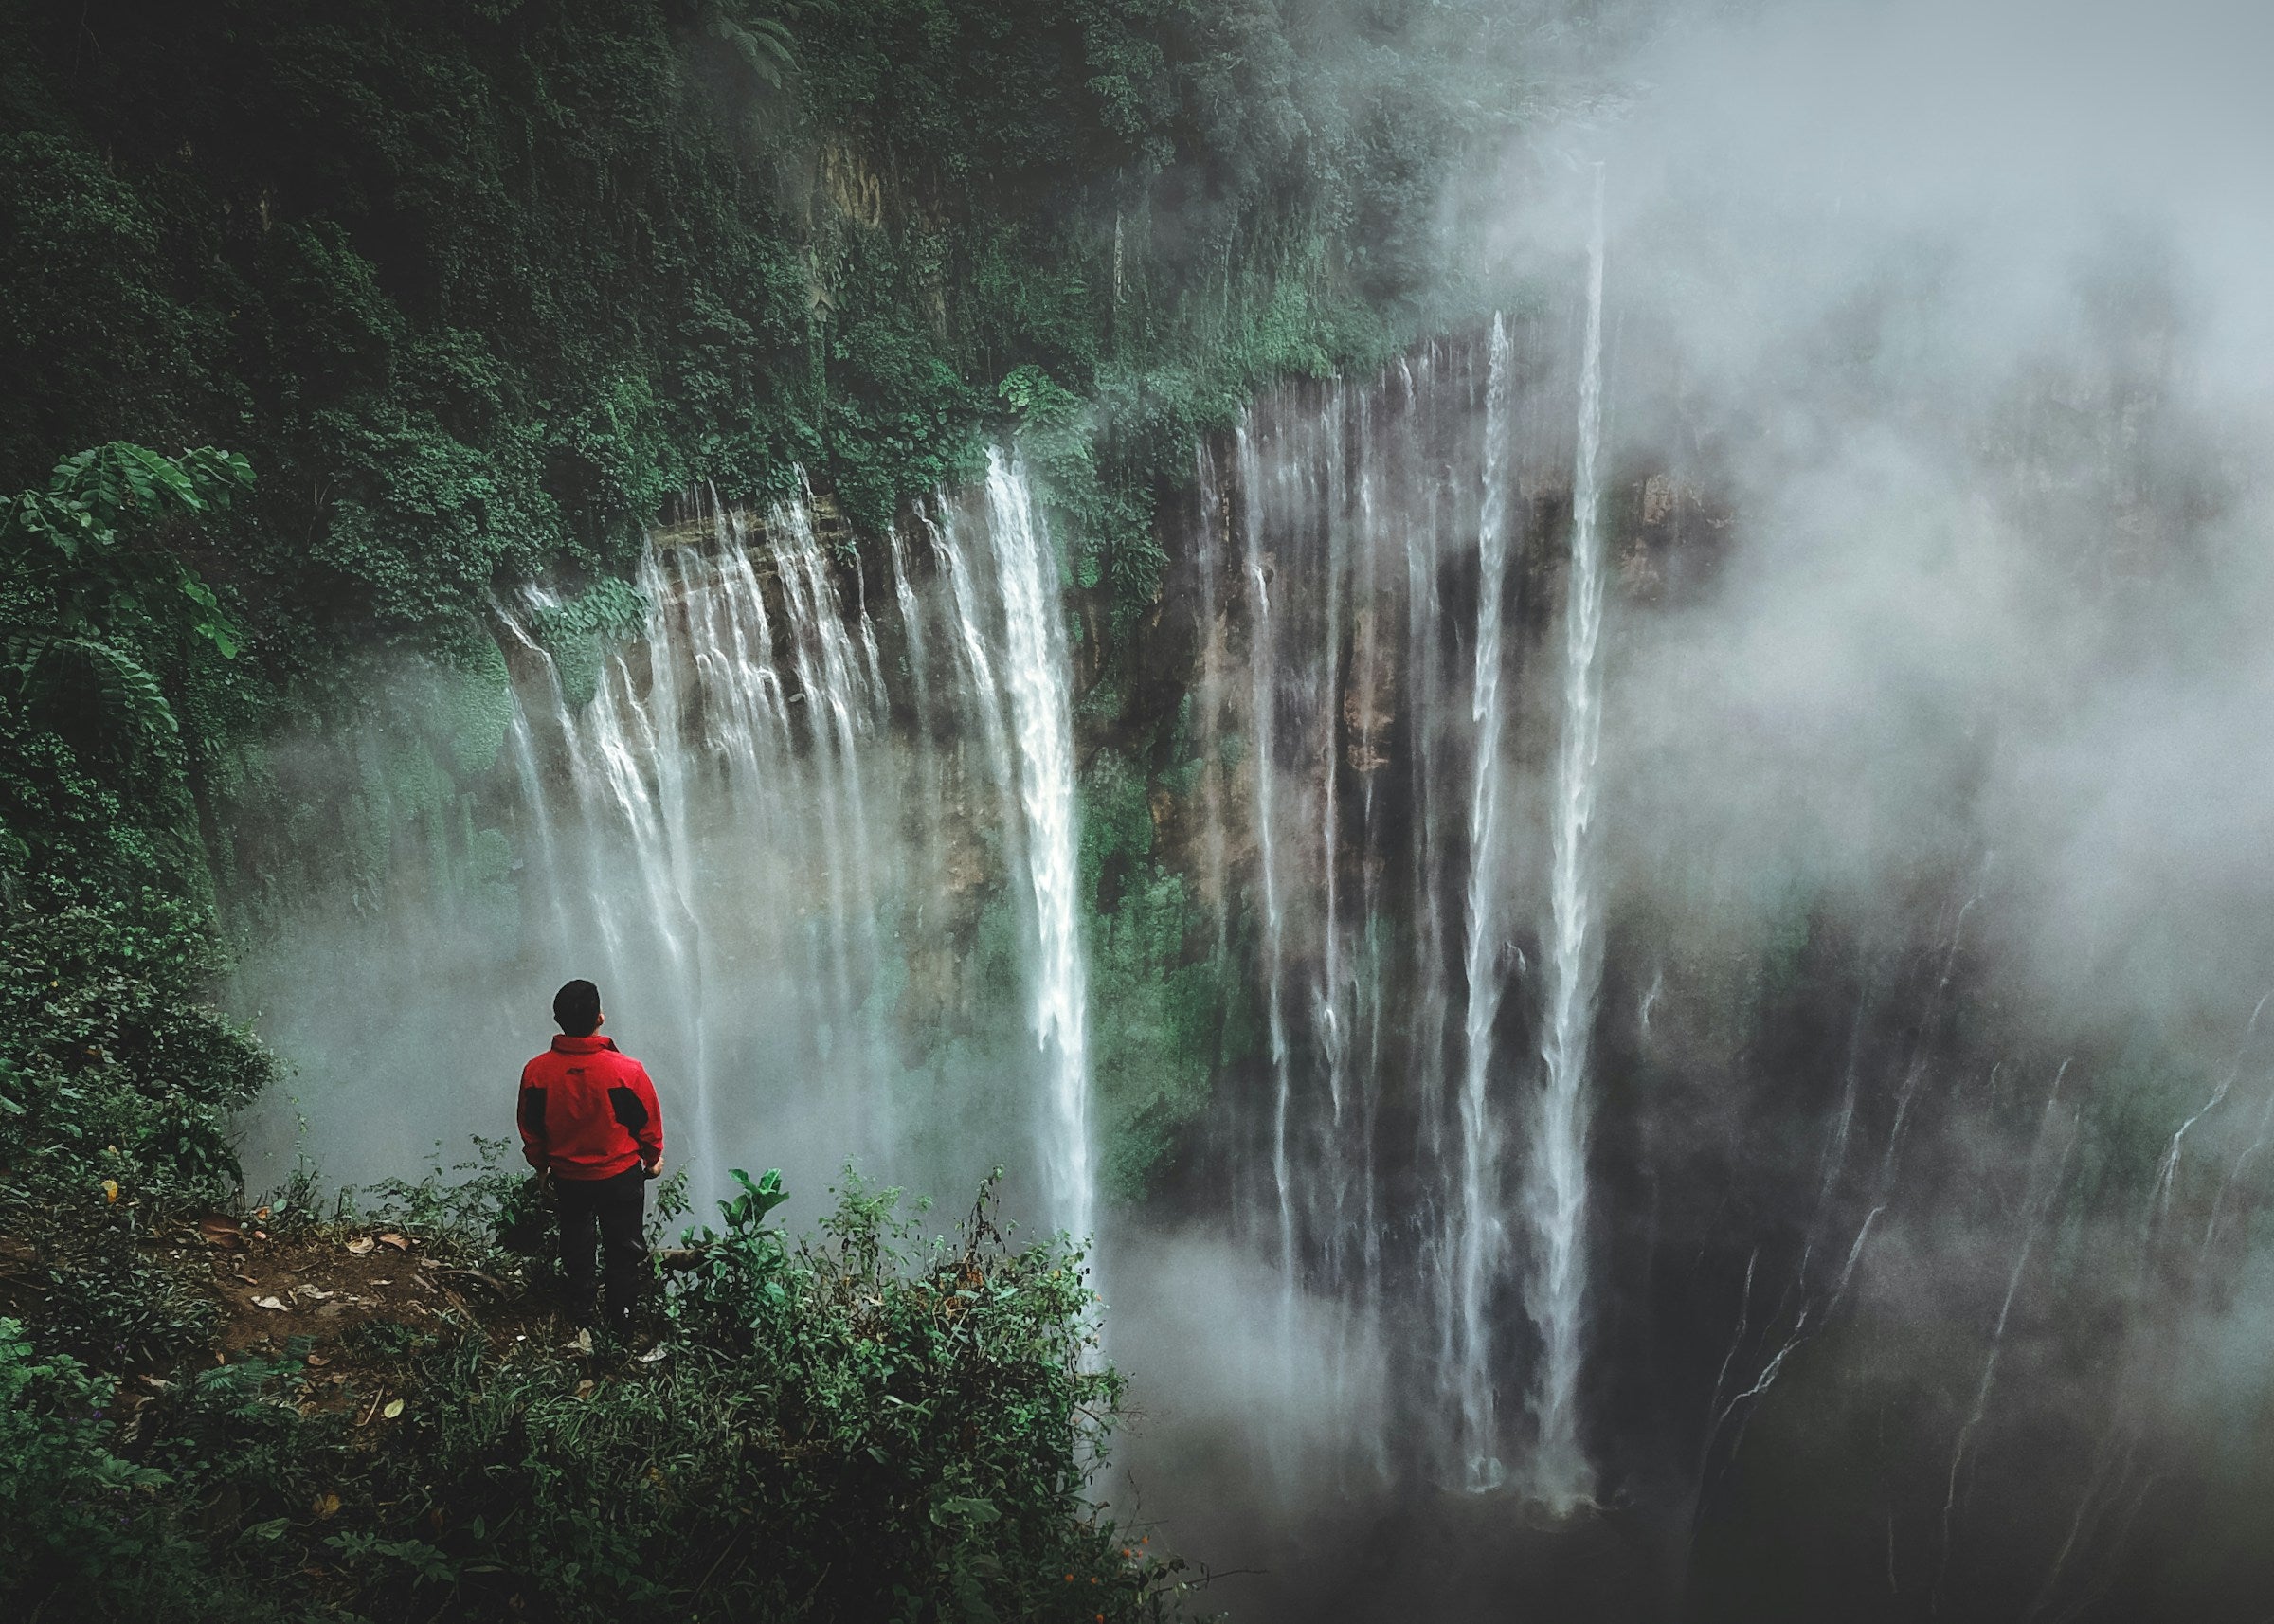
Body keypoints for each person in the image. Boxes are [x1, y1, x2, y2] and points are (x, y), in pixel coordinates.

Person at [516, 979, 663, 1334]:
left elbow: (531, 1126)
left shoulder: (537, 1072)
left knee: (576, 1242)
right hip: (620, 1177)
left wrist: (541, 1167)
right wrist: (652, 1158)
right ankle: (622, 1322)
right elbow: (646, 1121)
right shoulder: (627, 1071)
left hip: (569, 1179)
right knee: (624, 1248)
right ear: (600, 1017)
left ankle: (581, 1315)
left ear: (557, 1019)